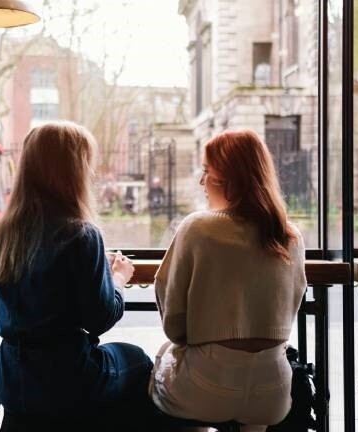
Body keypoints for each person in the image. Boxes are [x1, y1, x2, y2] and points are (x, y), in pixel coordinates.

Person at [0, 121, 155, 431]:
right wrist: (118, 278)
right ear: (74, 171)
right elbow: (100, 318)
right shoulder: (80, 235)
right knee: (138, 359)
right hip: (67, 378)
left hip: (12, 378)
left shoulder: (1, 236)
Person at [149, 129, 308, 431]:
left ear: (229, 181)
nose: (202, 182)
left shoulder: (198, 228)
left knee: (164, 360)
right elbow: (291, 305)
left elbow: (174, 324)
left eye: (207, 172)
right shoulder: (291, 236)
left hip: (207, 386)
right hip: (273, 391)